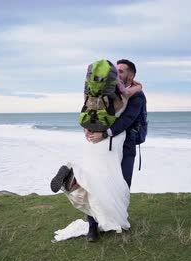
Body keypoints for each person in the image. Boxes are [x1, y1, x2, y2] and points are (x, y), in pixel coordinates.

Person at [51, 59, 147, 242]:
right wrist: (100, 133)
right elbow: (122, 121)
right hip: (110, 143)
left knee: (115, 185)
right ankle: (94, 227)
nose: (116, 74)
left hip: (110, 144)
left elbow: (91, 108)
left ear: (131, 75)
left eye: (121, 71)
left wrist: (88, 127)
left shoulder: (126, 94)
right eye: (115, 71)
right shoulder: (115, 92)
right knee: (107, 185)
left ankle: (110, 220)